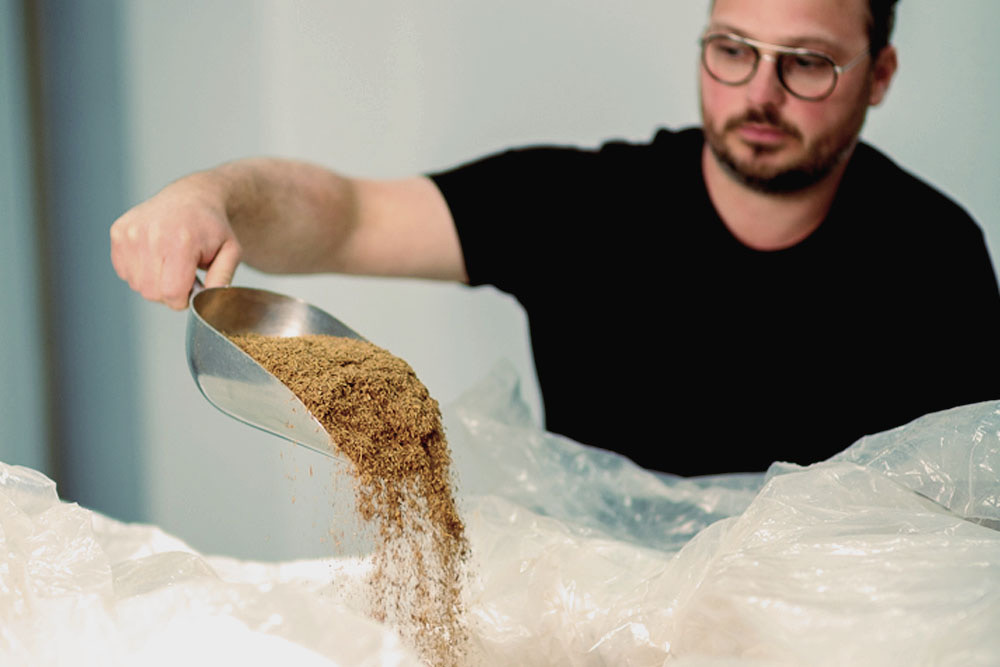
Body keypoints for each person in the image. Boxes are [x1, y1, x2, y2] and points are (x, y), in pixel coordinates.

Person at [110, 0, 1000, 476]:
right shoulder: (584, 203)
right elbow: (348, 213)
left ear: (878, 74)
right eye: (731, 48)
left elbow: (960, 527)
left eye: (807, 61)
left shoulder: (935, 256)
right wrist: (209, 196)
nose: (759, 92)